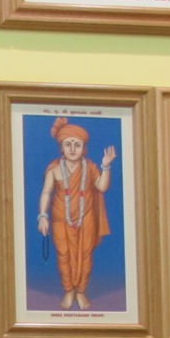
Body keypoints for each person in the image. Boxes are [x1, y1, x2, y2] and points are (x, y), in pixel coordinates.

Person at [36, 118, 115, 311]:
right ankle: (68, 290)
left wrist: (105, 165)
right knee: (63, 255)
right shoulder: (54, 169)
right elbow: (46, 192)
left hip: (85, 218)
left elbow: (102, 187)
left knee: (84, 255)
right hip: (59, 219)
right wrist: (42, 216)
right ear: (61, 148)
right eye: (68, 144)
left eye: (77, 145)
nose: (72, 149)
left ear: (83, 148)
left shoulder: (90, 167)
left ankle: (80, 291)